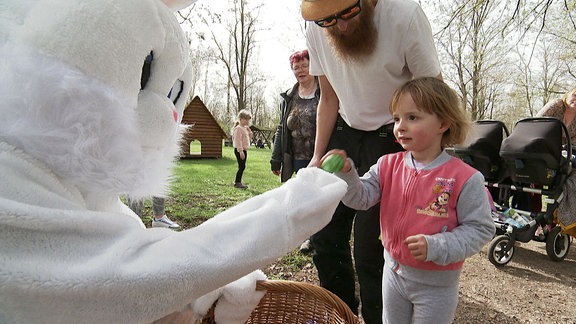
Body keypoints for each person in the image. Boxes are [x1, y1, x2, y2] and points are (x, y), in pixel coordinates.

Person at [0, 0, 349, 322]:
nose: (169, 119)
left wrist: (202, 287)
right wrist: (289, 208)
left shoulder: (82, 185)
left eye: (172, 97)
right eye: (142, 77)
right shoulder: (12, 176)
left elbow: (133, 250)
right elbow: (122, 279)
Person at [300, 0, 442, 321]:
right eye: (329, 19)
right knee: (325, 234)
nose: (341, 26)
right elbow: (329, 96)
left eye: (348, 12)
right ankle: (341, 313)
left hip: (393, 138)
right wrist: (317, 156)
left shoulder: (405, 16)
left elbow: (433, 93)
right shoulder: (317, 23)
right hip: (343, 133)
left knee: (371, 248)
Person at [323, 77, 495, 323]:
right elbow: (360, 199)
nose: (400, 126)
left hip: (437, 286)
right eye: (396, 118)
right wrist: (347, 173)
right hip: (393, 273)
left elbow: (481, 229)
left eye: (412, 117)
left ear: (443, 123)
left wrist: (437, 246)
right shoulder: (387, 165)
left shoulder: (464, 178)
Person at [270, 49, 320, 254]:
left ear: (313, 66)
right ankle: (306, 237)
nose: (300, 70)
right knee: (301, 197)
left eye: (304, 65)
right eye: (296, 67)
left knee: (318, 198)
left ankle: (318, 236)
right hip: (297, 156)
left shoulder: (324, 91)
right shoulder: (289, 97)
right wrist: (276, 158)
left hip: (320, 155)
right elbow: (282, 128)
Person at [232, 109, 253, 189]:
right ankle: (237, 182)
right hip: (239, 150)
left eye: (248, 120)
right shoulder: (238, 129)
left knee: (242, 166)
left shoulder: (244, 128)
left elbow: (248, 139)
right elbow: (238, 141)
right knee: (241, 166)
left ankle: (238, 182)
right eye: (246, 119)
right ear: (240, 119)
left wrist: (250, 133)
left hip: (244, 150)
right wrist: (240, 151)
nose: (247, 121)